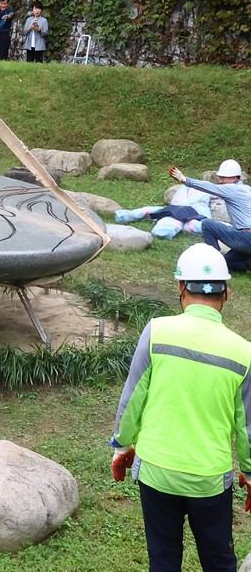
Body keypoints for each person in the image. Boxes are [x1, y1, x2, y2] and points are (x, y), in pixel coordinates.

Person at [111, 242, 251, 572]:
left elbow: (132, 399)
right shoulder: (244, 352)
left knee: (163, 558)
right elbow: (247, 428)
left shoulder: (156, 331)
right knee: (219, 561)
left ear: (180, 287)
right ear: (226, 293)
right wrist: (249, 470)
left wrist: (122, 445)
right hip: (209, 480)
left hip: (156, 472)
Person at [169, 160, 251, 272]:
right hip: (246, 241)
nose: (220, 181)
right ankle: (245, 263)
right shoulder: (247, 189)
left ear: (235, 178)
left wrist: (184, 179)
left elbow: (210, 187)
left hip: (246, 238)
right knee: (226, 262)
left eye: (223, 178)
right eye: (220, 177)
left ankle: (214, 259)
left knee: (207, 224)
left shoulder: (232, 189)